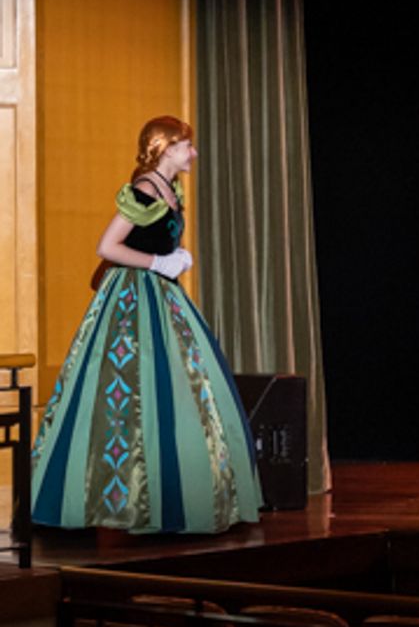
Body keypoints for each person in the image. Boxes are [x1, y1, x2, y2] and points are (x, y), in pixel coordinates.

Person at [31, 116, 262, 533]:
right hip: (133, 297)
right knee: (129, 393)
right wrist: (159, 261)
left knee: (185, 387)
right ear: (167, 148)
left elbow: (154, 237)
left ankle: (176, 492)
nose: (193, 153)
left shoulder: (171, 190)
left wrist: (177, 254)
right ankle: (122, 499)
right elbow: (107, 246)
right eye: (187, 145)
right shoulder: (144, 189)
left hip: (162, 295)